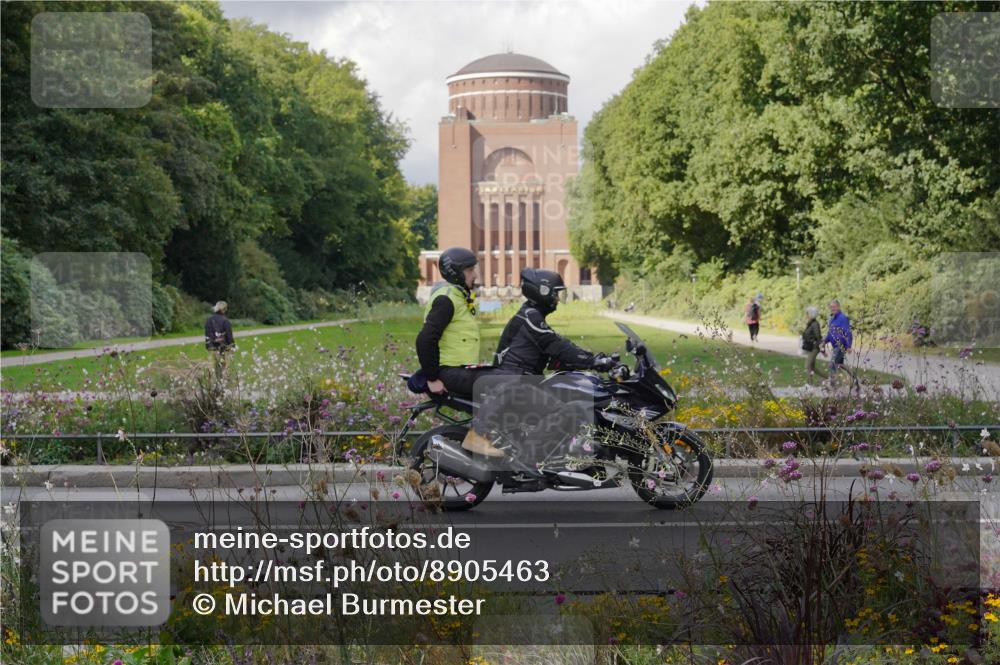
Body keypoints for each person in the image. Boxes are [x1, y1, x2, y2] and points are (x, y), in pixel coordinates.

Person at [414, 247, 501, 456]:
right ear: (456, 272)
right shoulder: (446, 300)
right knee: (506, 382)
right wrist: (432, 378)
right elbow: (425, 339)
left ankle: (498, 441)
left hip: (460, 370)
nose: (475, 274)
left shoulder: (458, 297)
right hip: (449, 372)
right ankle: (479, 442)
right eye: (470, 270)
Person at [823, 299, 855, 387]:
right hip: (835, 346)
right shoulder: (832, 320)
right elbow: (830, 334)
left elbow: (848, 332)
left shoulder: (843, 318)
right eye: (831, 307)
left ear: (838, 307)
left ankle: (833, 387)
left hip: (841, 346)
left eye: (834, 307)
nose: (832, 309)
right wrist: (824, 341)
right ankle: (856, 381)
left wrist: (848, 346)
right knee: (841, 365)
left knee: (832, 364)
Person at [204, 301, 235, 385]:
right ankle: (222, 384)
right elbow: (229, 336)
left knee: (213, 366)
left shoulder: (209, 320)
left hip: (212, 348)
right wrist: (232, 346)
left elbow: (207, 334)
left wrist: (209, 345)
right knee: (223, 366)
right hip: (223, 347)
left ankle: (214, 383)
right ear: (224, 310)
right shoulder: (225, 321)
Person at [801, 306, 825, 385]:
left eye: (807, 313)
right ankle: (829, 378)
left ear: (811, 314)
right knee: (812, 367)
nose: (806, 315)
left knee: (807, 365)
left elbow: (818, 337)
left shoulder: (815, 324)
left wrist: (822, 349)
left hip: (814, 348)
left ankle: (809, 384)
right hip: (811, 347)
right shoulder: (810, 323)